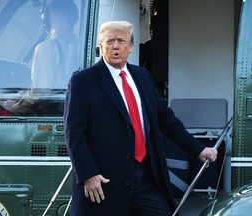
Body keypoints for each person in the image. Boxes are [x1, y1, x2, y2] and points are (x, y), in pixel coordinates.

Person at [64, 21, 218, 216]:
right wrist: (88, 174)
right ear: (101, 46)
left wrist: (198, 149)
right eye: (110, 41)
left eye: (121, 41)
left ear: (131, 47)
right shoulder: (83, 81)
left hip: (144, 177)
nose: (116, 46)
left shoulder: (142, 76)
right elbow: (74, 133)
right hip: (103, 181)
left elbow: (165, 119)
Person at [31, 0, 80, 89]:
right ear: (74, 19)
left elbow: (42, 92)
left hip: (56, 103)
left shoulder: (45, 48)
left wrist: (18, 103)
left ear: (47, 19)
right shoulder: (81, 47)